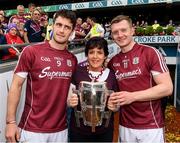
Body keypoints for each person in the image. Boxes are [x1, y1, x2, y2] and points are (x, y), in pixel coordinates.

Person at [5, 9, 77, 142]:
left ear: (72, 32)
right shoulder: (31, 51)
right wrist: (10, 122)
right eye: (59, 25)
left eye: (67, 27)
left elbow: (67, 92)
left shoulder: (72, 59)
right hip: (32, 129)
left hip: (61, 130)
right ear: (52, 25)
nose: (61, 30)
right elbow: (16, 85)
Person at [107, 15, 173, 143]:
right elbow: (113, 94)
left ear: (132, 30)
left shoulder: (150, 53)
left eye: (123, 30)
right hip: (125, 126)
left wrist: (132, 96)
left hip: (150, 125)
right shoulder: (113, 62)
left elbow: (167, 88)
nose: (120, 35)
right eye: (115, 32)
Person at [67, 37, 119, 142]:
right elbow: (68, 99)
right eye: (91, 52)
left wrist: (114, 106)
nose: (95, 56)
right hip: (78, 131)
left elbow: (117, 105)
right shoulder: (77, 72)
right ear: (86, 55)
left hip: (104, 131)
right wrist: (70, 102)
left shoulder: (112, 75)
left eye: (99, 52)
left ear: (105, 56)